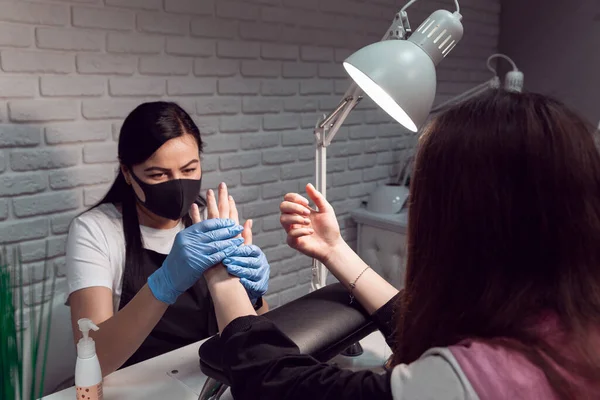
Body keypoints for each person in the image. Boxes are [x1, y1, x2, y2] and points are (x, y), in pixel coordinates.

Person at [198, 90, 600, 399]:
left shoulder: (469, 382)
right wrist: (335, 250)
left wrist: (222, 277)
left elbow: (284, 387)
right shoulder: (568, 323)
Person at [66, 102, 270, 376]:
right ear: (127, 173)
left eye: (189, 170)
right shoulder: (96, 230)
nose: (178, 184)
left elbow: (255, 338)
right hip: (136, 384)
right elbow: (92, 358)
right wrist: (164, 284)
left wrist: (253, 298)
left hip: (207, 376)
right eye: (158, 174)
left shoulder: (210, 220)